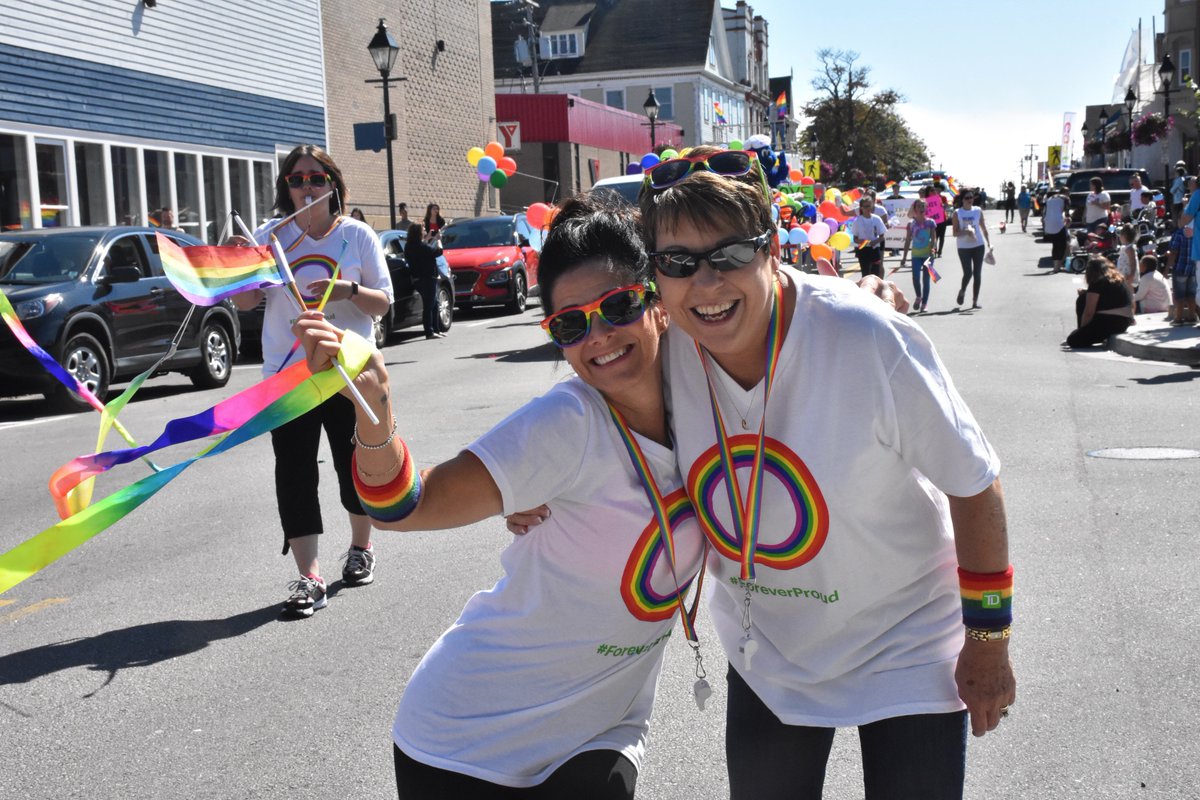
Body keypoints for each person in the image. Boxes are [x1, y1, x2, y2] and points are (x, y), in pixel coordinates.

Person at [296, 191, 706, 798]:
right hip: (467, 740)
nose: (598, 336)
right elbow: (403, 509)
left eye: (619, 306)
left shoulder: (710, 397)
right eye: (570, 325)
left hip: (602, 728)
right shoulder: (567, 423)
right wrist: (374, 410)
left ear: (659, 304)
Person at [638, 166, 1014, 799]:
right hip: (769, 650)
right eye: (678, 262)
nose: (705, 283)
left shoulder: (864, 336)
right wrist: (532, 494)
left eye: (730, 254)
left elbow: (974, 485)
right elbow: (592, 418)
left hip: (905, 638)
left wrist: (988, 641)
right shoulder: (662, 348)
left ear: (771, 248)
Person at [230, 143, 394, 616]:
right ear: (286, 188)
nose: (307, 187)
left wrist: (348, 290)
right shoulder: (270, 236)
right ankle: (310, 576)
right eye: (297, 179)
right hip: (287, 374)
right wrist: (239, 268)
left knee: (352, 462)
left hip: (348, 370)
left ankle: (361, 548)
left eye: (316, 178)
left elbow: (384, 302)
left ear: (333, 185)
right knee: (294, 471)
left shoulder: (356, 235)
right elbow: (246, 303)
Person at [1066, 257, 1134, 347]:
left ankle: (1082, 332)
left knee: (1072, 339)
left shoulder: (1097, 282)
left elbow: (1089, 312)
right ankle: (1084, 332)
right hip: (1124, 322)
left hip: (1110, 322)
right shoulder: (1118, 279)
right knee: (1084, 297)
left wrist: (1082, 331)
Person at [952, 189, 992, 309]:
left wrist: (989, 243)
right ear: (962, 200)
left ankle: (975, 301)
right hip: (963, 247)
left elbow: (983, 228)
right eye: (967, 198)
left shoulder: (977, 210)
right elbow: (954, 233)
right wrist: (966, 231)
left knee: (977, 273)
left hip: (978, 245)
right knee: (968, 273)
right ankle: (962, 290)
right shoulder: (957, 213)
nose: (970, 200)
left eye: (971, 197)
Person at [404, 222, 445, 339]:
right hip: (428, 278)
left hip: (418, 278)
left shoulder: (409, 246)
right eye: (423, 230)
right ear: (418, 233)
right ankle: (429, 332)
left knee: (434, 304)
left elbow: (424, 250)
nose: (425, 231)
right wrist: (438, 240)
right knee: (429, 305)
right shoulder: (421, 246)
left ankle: (436, 330)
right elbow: (438, 252)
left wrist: (427, 239)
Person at [899, 197, 938, 313]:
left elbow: (934, 238)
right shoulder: (911, 224)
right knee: (915, 277)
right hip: (916, 255)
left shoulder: (930, 222)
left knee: (926, 280)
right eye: (919, 206)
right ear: (915, 209)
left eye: (923, 206)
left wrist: (933, 250)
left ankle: (924, 304)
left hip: (928, 255)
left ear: (926, 208)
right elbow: (907, 240)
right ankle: (918, 296)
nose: (921, 208)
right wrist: (904, 257)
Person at [849, 196, 887, 278]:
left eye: (869, 206)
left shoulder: (877, 219)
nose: (868, 208)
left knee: (875, 275)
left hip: (874, 249)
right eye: (865, 206)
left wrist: (875, 241)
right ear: (861, 208)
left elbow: (882, 236)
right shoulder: (857, 221)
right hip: (863, 250)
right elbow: (855, 239)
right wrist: (862, 241)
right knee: (865, 274)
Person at [1168, 223, 1197, 324]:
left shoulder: (1179, 233)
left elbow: (1173, 252)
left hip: (1180, 268)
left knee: (1179, 295)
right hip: (1192, 269)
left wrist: (1167, 269)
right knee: (1191, 294)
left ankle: (1178, 318)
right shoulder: (1196, 233)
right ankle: (1192, 317)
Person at [1044, 187, 1070, 273]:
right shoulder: (1065, 198)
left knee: (1055, 245)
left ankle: (1056, 266)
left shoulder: (1050, 198)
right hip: (1058, 224)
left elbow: (1046, 211)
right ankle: (1058, 267)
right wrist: (1068, 221)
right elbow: (1067, 214)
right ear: (1066, 193)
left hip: (1048, 224)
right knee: (1063, 245)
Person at [924, 184, 948, 257]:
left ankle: (940, 251)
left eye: (934, 190)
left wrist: (943, 206)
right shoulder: (925, 200)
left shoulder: (940, 198)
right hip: (932, 221)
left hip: (942, 219)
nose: (934, 191)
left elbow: (946, 206)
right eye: (932, 190)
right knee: (934, 236)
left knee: (942, 236)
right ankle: (934, 250)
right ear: (928, 192)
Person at [1115, 223, 1138, 294]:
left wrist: (1132, 274)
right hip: (1124, 273)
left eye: (1120, 236)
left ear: (1124, 236)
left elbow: (1133, 262)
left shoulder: (1129, 249)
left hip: (1128, 273)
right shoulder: (1125, 248)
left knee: (1128, 290)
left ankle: (1131, 300)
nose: (1119, 238)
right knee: (1125, 290)